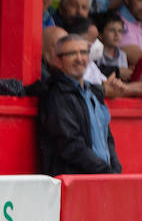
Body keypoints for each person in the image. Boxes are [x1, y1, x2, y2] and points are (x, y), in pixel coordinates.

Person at [38, 34, 121, 174]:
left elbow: (107, 137)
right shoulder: (56, 95)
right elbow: (70, 145)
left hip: (102, 178)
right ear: (58, 61)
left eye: (83, 52)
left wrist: (115, 169)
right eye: (71, 54)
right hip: (75, 182)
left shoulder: (93, 93)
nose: (79, 58)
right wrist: (105, 171)